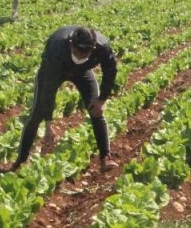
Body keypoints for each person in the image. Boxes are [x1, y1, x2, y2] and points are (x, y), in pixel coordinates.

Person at [12, 26, 117, 170]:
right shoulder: (57, 47)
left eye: (85, 53)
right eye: (77, 51)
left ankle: (106, 156)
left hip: (82, 72)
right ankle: (21, 160)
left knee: (96, 111)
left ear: (92, 49)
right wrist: (48, 124)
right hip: (55, 71)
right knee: (37, 114)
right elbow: (47, 88)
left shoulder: (102, 47)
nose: (80, 56)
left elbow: (110, 71)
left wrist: (101, 99)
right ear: (71, 44)